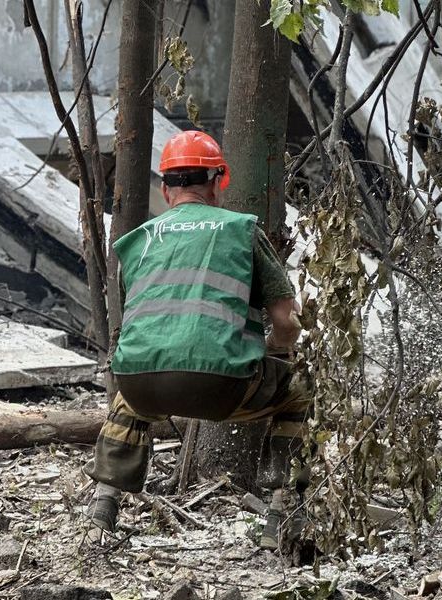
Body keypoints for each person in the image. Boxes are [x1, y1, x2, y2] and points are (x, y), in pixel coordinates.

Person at [84, 131, 308, 535]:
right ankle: (284, 509)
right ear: (219, 180)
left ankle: (102, 507)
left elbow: (135, 320)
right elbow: (287, 320)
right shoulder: (240, 229)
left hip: (139, 385)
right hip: (220, 388)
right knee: (302, 389)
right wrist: (277, 353)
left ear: (165, 188)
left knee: (127, 400)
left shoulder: (136, 241)